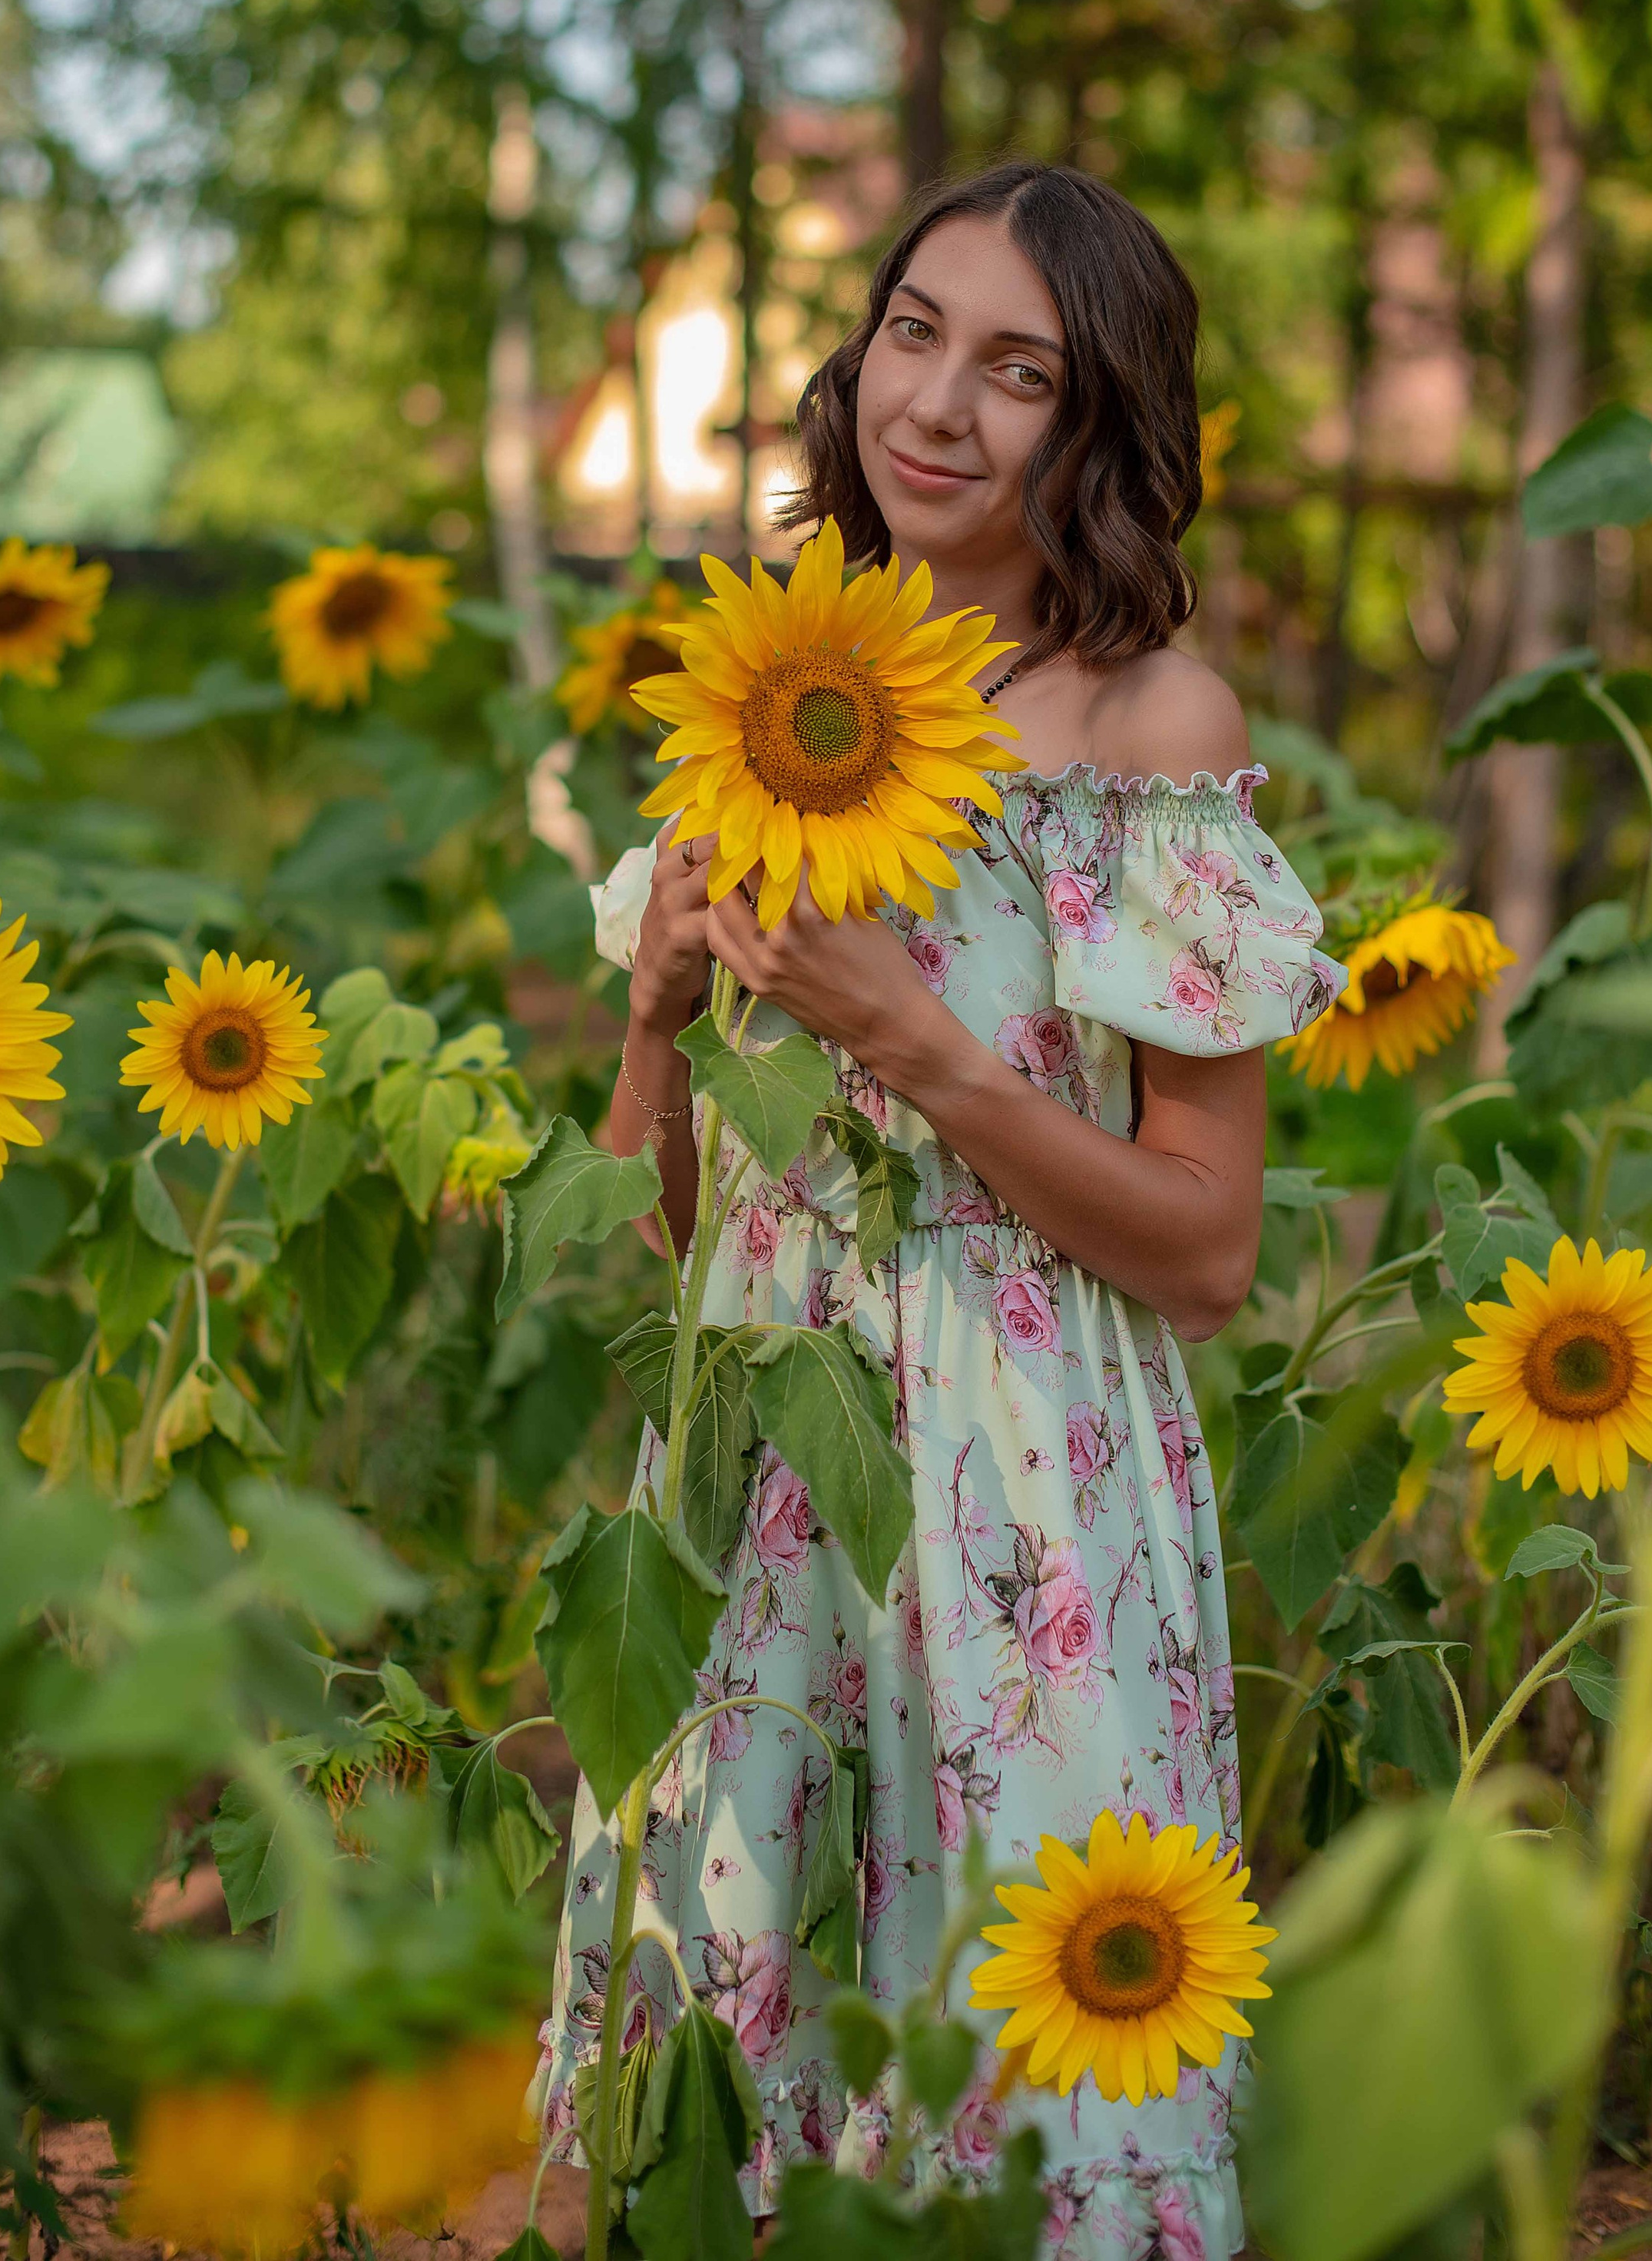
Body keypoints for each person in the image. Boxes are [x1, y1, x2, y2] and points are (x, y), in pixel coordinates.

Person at [535, 161, 1342, 2254]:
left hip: (1028, 1495)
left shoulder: (1149, 735)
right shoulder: (771, 690)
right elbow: (655, 1234)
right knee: (732, 2060)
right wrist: (654, 1023)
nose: (943, 406)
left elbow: (1209, 1247)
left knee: (1012, 2088)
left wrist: (923, 1043)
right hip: (755, 1462)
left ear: (1103, 430)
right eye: (916, 332)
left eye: (1022, 372)